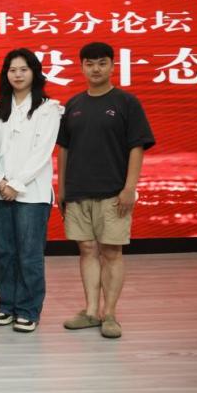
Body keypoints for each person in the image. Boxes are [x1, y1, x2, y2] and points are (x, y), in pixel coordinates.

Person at [58, 41, 155, 339]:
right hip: (78, 191)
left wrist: (129, 188)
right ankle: (90, 311)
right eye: (89, 64)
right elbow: (64, 149)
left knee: (112, 251)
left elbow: (137, 146)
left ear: (112, 66)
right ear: (82, 67)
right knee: (87, 249)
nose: (95, 69)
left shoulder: (126, 103)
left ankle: (109, 313)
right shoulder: (74, 104)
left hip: (114, 192)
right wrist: (61, 188)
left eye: (102, 63)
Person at [0, 48, 62, 333]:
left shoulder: (48, 108)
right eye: (12, 70)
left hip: (32, 193)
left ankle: (28, 309)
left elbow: (43, 151)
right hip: (0, 190)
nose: (17, 75)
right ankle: (6, 305)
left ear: (34, 73)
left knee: (29, 254)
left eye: (23, 69)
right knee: (5, 252)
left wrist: (16, 184)